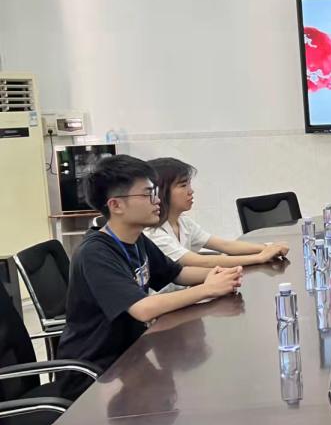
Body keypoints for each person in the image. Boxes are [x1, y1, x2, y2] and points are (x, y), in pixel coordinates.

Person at [58, 156, 243, 393]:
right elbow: (143, 309)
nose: (157, 201)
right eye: (147, 195)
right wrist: (208, 289)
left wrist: (222, 274)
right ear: (116, 205)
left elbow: (177, 273)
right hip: (95, 371)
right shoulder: (95, 253)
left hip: (131, 354)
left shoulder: (136, 239)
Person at [145, 157, 289, 267]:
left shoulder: (183, 222)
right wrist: (259, 257)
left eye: (189, 184)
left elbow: (226, 245)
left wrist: (268, 247)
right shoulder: (153, 233)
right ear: (160, 191)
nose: (191, 191)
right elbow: (199, 261)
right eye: (183, 185)